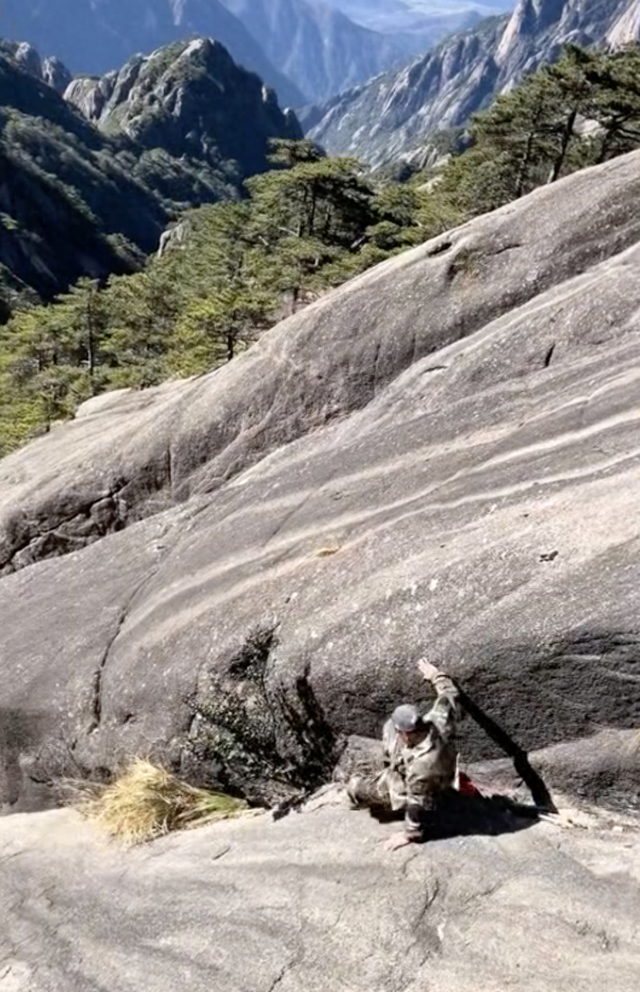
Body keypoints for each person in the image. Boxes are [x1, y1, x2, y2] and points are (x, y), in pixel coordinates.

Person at [346, 658, 461, 851]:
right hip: (440, 774)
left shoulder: (421, 765)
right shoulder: (437, 720)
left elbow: (417, 801)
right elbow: (450, 694)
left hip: (427, 788)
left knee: (355, 788)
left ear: (405, 733)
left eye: (397, 731)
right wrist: (434, 674)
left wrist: (410, 834)